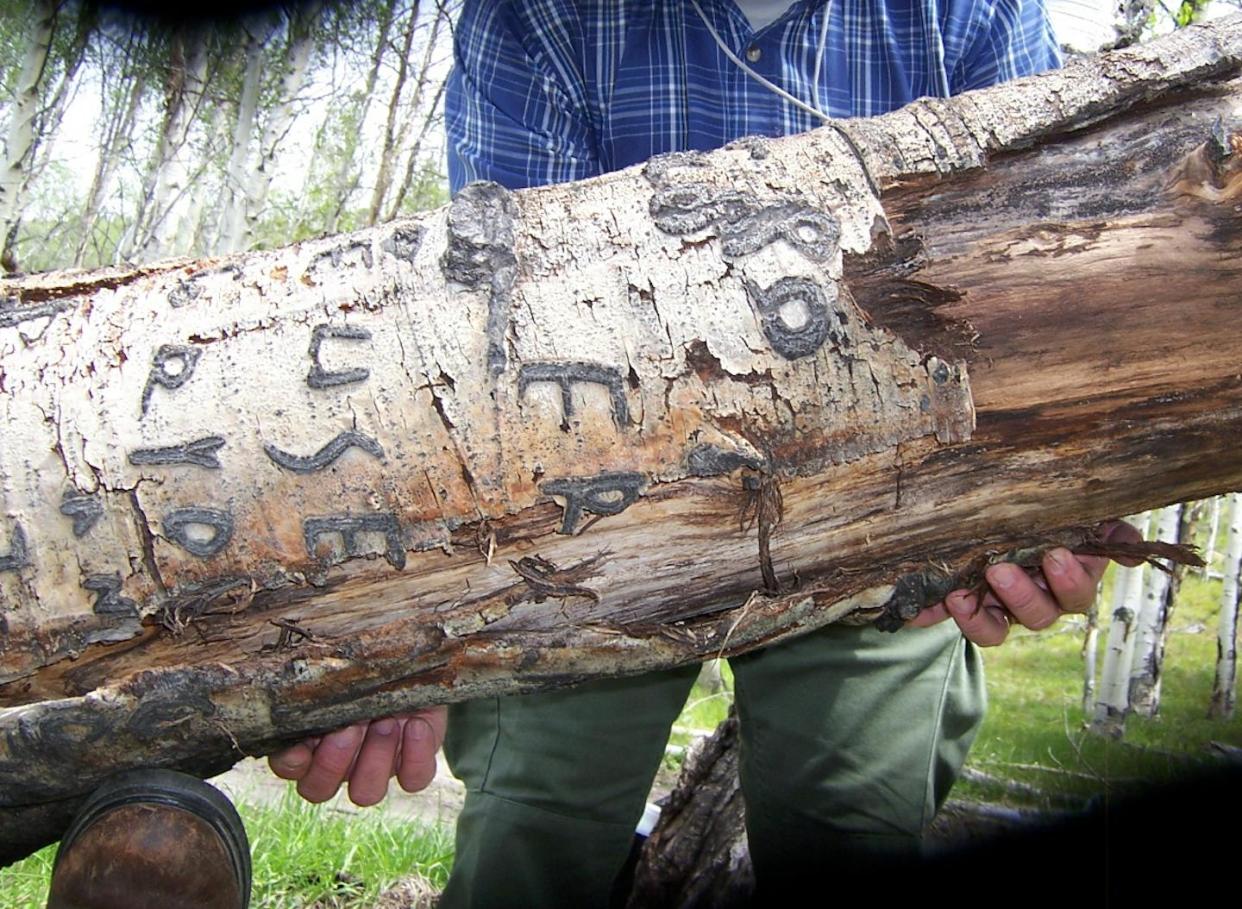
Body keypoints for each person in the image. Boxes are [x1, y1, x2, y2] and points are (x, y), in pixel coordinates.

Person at [269, 2, 1137, 904]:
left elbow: (1033, 286)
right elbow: (497, 336)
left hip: (881, 515)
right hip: (596, 523)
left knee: (854, 822)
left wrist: (1048, 486)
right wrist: (403, 607)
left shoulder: (970, 14)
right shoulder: (540, 16)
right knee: (534, 824)